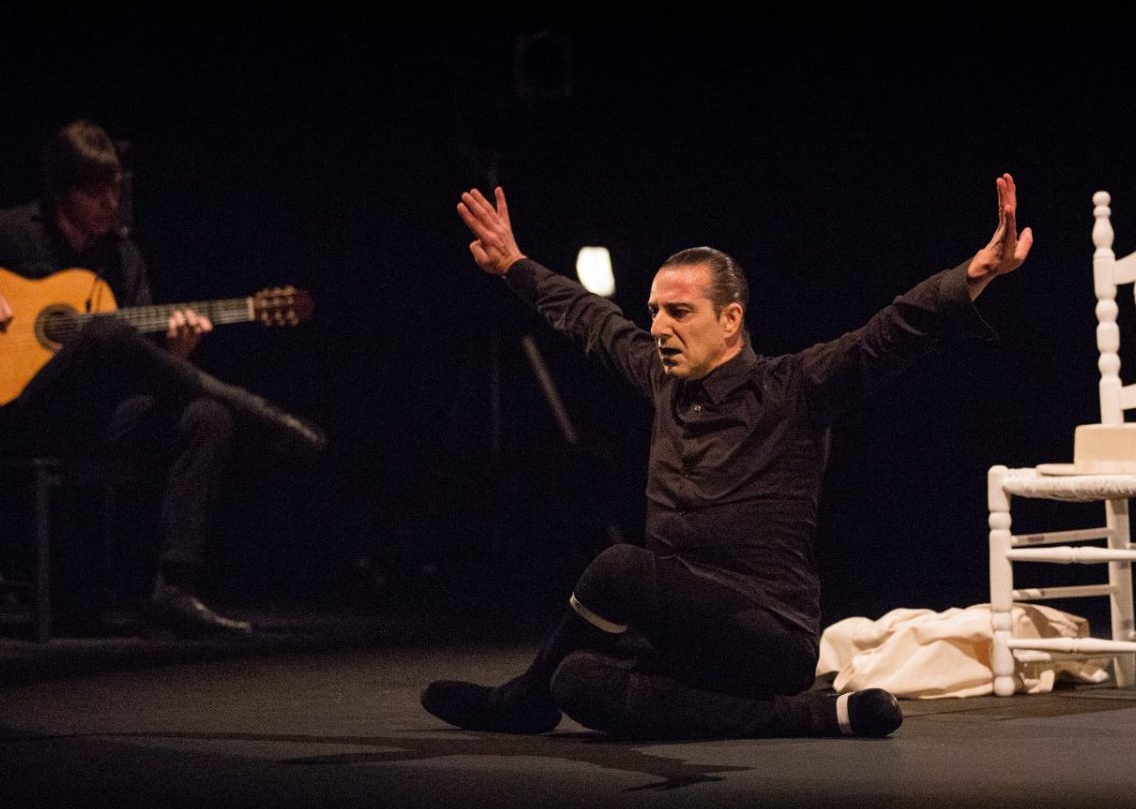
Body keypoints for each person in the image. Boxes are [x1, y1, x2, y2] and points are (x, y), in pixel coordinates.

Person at [421, 174, 1031, 738]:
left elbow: (889, 334)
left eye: (679, 312)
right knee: (576, 680)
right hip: (684, 636)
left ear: (730, 319)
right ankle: (812, 716)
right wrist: (514, 265)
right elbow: (593, 320)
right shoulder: (664, 380)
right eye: (655, 312)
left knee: (618, 569)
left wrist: (975, 273)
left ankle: (523, 700)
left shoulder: (792, 388)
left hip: (767, 633)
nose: (659, 327)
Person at [0, 119, 326, 636]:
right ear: (60, 193)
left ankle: (174, 590)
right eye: (95, 193)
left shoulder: (123, 257)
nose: (111, 204)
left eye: (116, 190)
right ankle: (259, 413)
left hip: (94, 421)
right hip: (15, 413)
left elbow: (140, 363)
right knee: (104, 330)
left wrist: (177, 351)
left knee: (205, 415)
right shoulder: (12, 232)